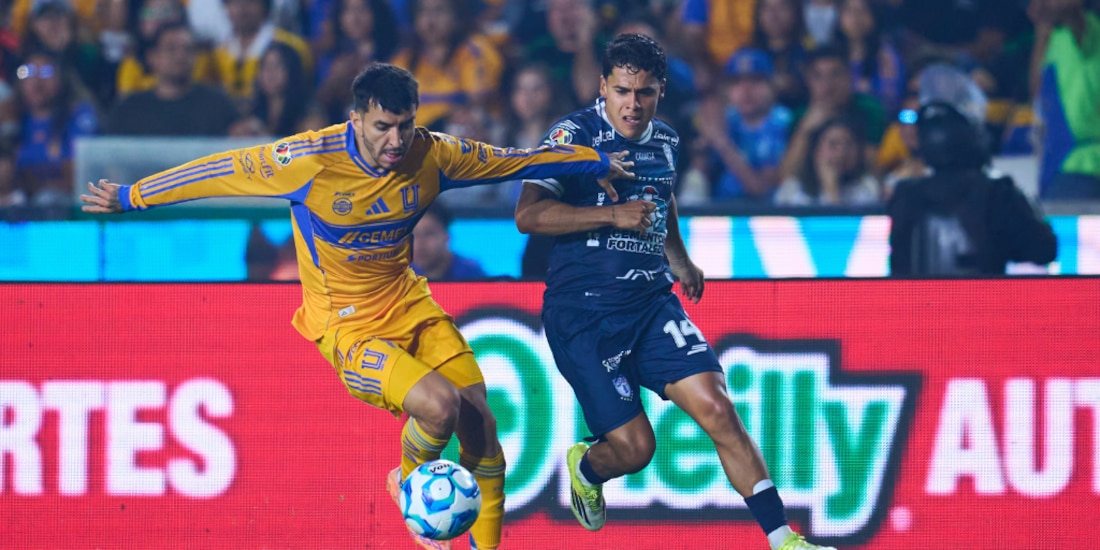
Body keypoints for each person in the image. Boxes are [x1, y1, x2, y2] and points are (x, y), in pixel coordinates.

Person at [80, 62, 634, 550]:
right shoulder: (307, 161)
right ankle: (408, 481)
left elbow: (516, 161)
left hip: (409, 303)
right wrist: (132, 196)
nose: (396, 140)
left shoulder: (433, 154)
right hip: (347, 326)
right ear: (356, 119)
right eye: (382, 127)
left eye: (405, 125)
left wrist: (594, 163)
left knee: (483, 431)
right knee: (440, 407)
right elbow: (221, 171)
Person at [514, 33, 836, 550]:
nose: (632, 104)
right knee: (636, 449)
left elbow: (660, 197)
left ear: (660, 91)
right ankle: (587, 467)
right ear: (603, 86)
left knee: (718, 408)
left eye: (644, 92)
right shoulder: (571, 136)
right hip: (584, 316)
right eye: (622, 91)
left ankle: (784, 540)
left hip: (650, 303)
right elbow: (528, 215)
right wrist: (611, 215)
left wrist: (678, 258)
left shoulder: (665, 139)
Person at [887, 100, 1058, 275]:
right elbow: (1044, 249)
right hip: (983, 294)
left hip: (921, 295)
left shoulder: (904, 196)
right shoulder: (997, 192)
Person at [411, 201, 488, 281]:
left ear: (446, 236)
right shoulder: (405, 274)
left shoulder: (472, 274)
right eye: (412, 234)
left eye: (429, 233)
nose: (419, 244)